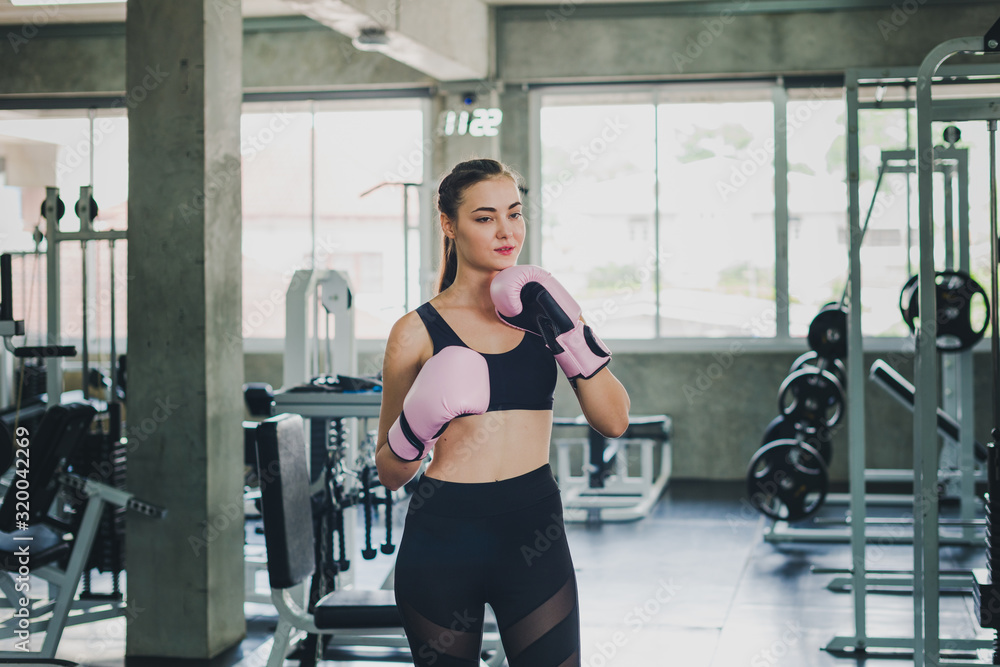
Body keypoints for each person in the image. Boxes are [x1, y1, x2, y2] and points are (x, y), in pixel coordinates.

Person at [376, 158, 631, 667]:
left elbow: (615, 420)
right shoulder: (415, 331)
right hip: (443, 535)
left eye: (514, 214)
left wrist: (569, 339)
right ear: (450, 225)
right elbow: (389, 472)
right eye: (485, 217)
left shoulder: (547, 309)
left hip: (533, 529)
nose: (506, 231)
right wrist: (417, 426)